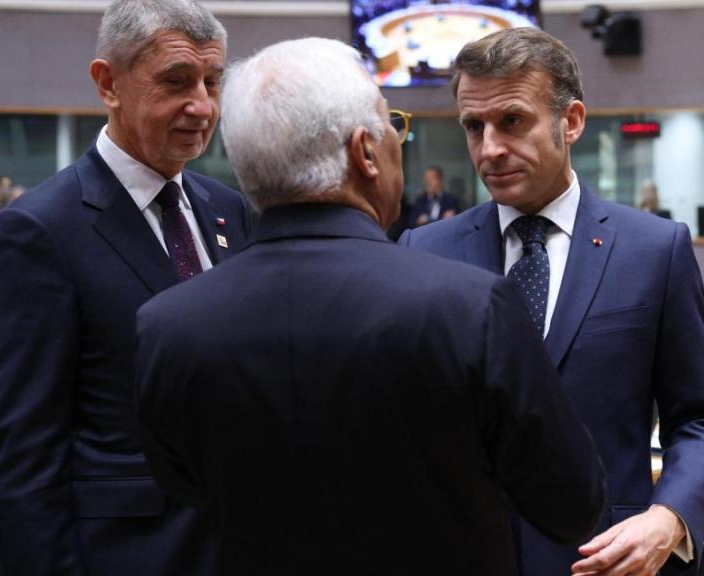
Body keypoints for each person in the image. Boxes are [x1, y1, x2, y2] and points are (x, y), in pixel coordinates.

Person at [133, 37, 605, 576]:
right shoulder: (468, 308)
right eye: (391, 128)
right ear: (364, 153)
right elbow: (572, 503)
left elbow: (183, 485)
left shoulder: (167, 326)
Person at [399, 28, 704, 576]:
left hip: (605, 556)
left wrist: (670, 516)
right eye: (473, 127)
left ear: (570, 121)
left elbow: (699, 418)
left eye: (512, 121)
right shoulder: (424, 250)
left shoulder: (654, 250)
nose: (490, 149)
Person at [0, 1, 253, 573]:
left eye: (212, 81)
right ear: (108, 83)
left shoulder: (228, 211)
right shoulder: (37, 232)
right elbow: (25, 455)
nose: (202, 105)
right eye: (177, 81)